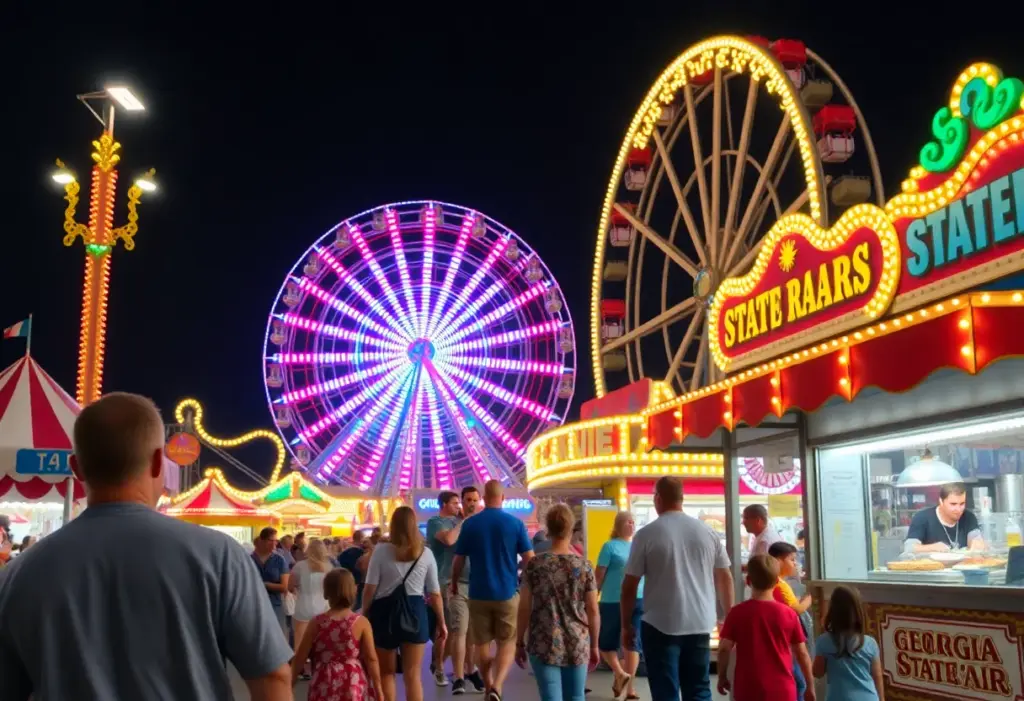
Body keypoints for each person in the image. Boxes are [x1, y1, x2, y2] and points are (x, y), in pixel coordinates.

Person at [0, 392, 293, 700]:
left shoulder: (18, 574)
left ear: (77, 467)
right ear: (157, 462)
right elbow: (272, 676)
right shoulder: (219, 556)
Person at [622, 476, 734, 701]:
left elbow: (630, 584)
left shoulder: (646, 534)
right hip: (701, 622)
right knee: (699, 688)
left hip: (659, 623)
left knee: (665, 691)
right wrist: (729, 620)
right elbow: (725, 577)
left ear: (658, 499)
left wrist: (626, 625)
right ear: (682, 498)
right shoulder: (707, 532)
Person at [452, 479, 535, 701]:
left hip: (477, 593)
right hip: (507, 592)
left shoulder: (470, 524)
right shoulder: (515, 524)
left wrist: (453, 584)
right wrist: (530, 581)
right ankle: (497, 685)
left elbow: (458, 560)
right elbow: (530, 559)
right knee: (507, 641)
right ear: (503, 498)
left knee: (481, 644)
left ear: (484, 499)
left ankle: (487, 684)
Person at [516, 504, 599, 701]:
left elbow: (524, 606)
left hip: (542, 639)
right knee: (576, 696)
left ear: (548, 529)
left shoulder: (535, 565)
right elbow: (593, 610)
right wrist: (594, 645)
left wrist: (519, 642)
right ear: (571, 529)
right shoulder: (584, 566)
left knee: (550, 697)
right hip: (577, 640)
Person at [363, 505, 445, 701]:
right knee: (413, 675)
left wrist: (364, 613)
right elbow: (434, 593)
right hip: (416, 612)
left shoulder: (381, 551)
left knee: (386, 673)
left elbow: (370, 587)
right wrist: (441, 622)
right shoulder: (426, 554)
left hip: (384, 614)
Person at [717, 555, 815, 701]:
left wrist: (722, 676)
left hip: (748, 688)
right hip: (782, 688)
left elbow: (725, 648)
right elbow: (802, 653)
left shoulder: (737, 613)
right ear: (777, 582)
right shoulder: (788, 614)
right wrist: (810, 686)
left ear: (748, 581)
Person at [291, 568, 383, 701]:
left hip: (323, 682)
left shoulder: (316, 623)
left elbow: (300, 657)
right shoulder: (361, 623)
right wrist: (378, 688)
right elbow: (371, 659)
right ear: (353, 590)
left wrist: (289, 684)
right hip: (353, 682)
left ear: (326, 592)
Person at [596, 511, 643, 700]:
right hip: (611, 600)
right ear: (618, 526)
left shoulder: (637, 547)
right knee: (606, 642)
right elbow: (599, 575)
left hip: (637, 599)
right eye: (627, 522)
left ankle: (629, 687)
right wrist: (592, 596)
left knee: (633, 643)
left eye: (633, 522)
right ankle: (619, 673)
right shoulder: (609, 547)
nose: (631, 525)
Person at [813, 585, 884, 701]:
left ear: (832, 612)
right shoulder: (870, 643)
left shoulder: (824, 641)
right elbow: (877, 677)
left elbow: (817, 672)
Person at [451, 485, 486, 695]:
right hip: (458, 584)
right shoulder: (452, 524)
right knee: (459, 631)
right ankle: (458, 677)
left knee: (472, 634)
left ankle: (471, 670)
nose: (471, 503)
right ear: (462, 502)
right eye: (468, 500)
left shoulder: (483, 524)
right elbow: (449, 541)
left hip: (478, 584)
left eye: (475, 500)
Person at [426, 489, 462, 687]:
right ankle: (439, 667)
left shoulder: (456, 523)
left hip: (459, 580)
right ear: (444, 504)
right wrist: (464, 522)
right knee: (445, 627)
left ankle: (438, 662)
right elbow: (448, 540)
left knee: (457, 629)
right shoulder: (435, 522)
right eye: (455, 503)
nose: (459, 506)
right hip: (441, 581)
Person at [769, 542, 813, 700]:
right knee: (800, 682)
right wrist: (809, 599)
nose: (795, 563)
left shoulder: (778, 583)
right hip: (788, 640)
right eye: (792, 559)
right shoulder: (779, 584)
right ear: (779, 561)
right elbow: (795, 610)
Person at [290, 538, 333, 677]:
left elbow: (290, 586)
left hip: (303, 606)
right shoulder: (329, 567)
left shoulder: (300, 566)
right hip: (323, 608)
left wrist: (298, 590)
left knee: (300, 642)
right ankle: (319, 669)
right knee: (321, 641)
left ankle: (301, 670)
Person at [905, 482, 986, 553]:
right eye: (953, 504)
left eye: (962, 504)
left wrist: (977, 544)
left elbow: (975, 539)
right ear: (941, 501)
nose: (958, 509)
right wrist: (933, 548)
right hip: (932, 569)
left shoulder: (969, 517)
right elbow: (909, 548)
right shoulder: (922, 518)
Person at [253, 526, 292, 640]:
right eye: (272, 540)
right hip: (254, 605)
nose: (275, 543)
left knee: (277, 638)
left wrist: (262, 584)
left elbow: (284, 586)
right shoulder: (249, 559)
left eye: (276, 540)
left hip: (275, 605)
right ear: (262, 540)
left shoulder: (279, 560)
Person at [338, 531, 368, 609]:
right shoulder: (363, 554)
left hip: (345, 584)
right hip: (360, 584)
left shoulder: (342, 554)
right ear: (362, 539)